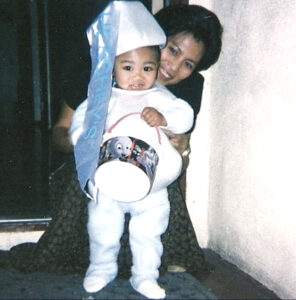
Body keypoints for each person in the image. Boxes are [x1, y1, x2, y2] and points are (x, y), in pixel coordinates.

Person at [1, 2, 222, 282]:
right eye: (173, 50)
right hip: (86, 168)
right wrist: (85, 144)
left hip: (147, 176)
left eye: (188, 63)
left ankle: (148, 265)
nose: (173, 67)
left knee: (156, 180)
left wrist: (180, 147)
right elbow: (60, 132)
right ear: (154, 36)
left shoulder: (188, 89)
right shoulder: (99, 69)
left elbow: (181, 155)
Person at [71, 36, 194, 297]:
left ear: (156, 67)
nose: (138, 76)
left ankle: (145, 276)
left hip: (152, 185)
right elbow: (81, 122)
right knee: (102, 226)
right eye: (128, 67)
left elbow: (184, 115)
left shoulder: (159, 96)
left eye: (147, 68)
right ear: (113, 68)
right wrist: (85, 141)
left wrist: (164, 118)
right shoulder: (104, 97)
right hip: (110, 180)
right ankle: (101, 268)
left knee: (149, 233)